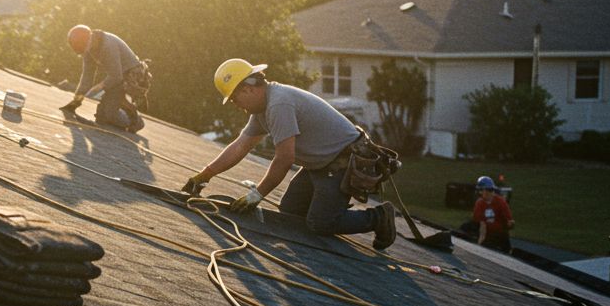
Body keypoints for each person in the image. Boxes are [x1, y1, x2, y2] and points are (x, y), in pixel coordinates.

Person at [182, 58, 398, 249]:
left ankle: (378, 217)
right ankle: (330, 204)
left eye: (234, 99)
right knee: (289, 214)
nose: (235, 105)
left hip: (342, 163)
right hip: (320, 164)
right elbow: (240, 146)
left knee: (320, 223)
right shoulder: (261, 110)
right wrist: (204, 175)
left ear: (248, 89)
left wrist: (257, 195)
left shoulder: (279, 104)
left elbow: (285, 158)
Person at [60, 25, 147, 132]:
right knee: (101, 117)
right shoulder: (89, 47)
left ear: (89, 40)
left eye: (83, 49)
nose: (84, 53)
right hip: (116, 76)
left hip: (131, 77)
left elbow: (116, 76)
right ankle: (115, 106)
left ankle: (135, 120)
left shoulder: (108, 46)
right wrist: (76, 101)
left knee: (110, 115)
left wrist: (100, 86)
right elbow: (87, 76)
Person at [473, 175, 514, 252]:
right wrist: (480, 241)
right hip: (487, 233)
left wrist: (509, 223)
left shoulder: (500, 202)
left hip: (499, 233)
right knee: (466, 226)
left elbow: (509, 221)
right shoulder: (480, 203)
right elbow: (481, 224)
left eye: (481, 190)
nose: (480, 193)